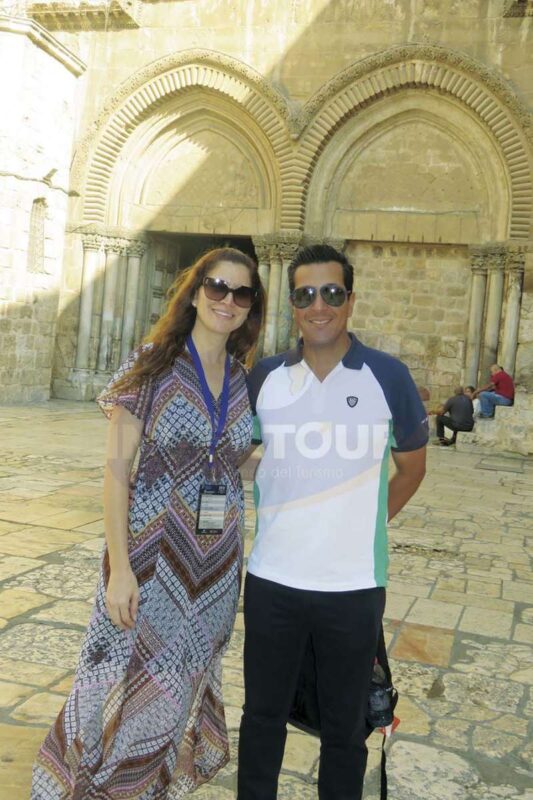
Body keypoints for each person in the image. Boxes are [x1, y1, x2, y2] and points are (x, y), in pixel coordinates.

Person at [32, 247, 265, 800]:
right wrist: (118, 570)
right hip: (149, 557)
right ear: (193, 291)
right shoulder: (154, 361)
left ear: (251, 305)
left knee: (175, 689)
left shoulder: (238, 375)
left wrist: (306, 457)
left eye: (241, 292)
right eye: (216, 286)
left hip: (212, 569)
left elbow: (227, 457)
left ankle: (141, 789)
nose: (227, 301)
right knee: (113, 677)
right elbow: (116, 473)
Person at [237, 244, 427, 800]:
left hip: (353, 587)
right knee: (262, 717)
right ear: (293, 303)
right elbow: (247, 454)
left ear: (349, 300)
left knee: (345, 731)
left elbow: (412, 467)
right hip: (273, 580)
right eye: (305, 294)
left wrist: (360, 524)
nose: (318, 305)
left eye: (332, 293)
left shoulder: (386, 376)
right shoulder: (266, 376)